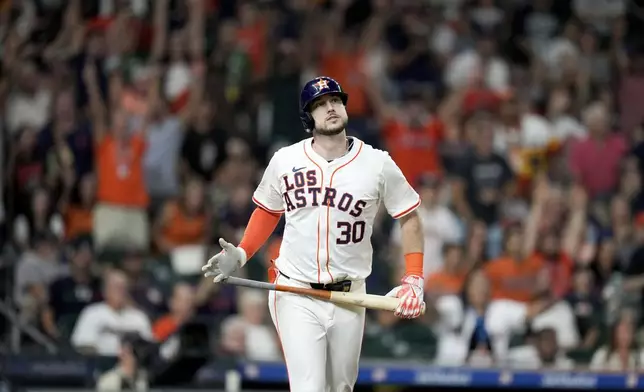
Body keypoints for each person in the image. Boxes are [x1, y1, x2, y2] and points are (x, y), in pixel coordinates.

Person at [202, 76, 425, 391]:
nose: (330, 108)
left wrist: (414, 278)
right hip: (296, 289)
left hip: (351, 293)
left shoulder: (377, 163)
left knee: (341, 387)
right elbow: (268, 210)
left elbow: (410, 218)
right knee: (310, 387)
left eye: (334, 100)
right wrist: (241, 253)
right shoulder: (286, 159)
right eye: (320, 105)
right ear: (309, 117)